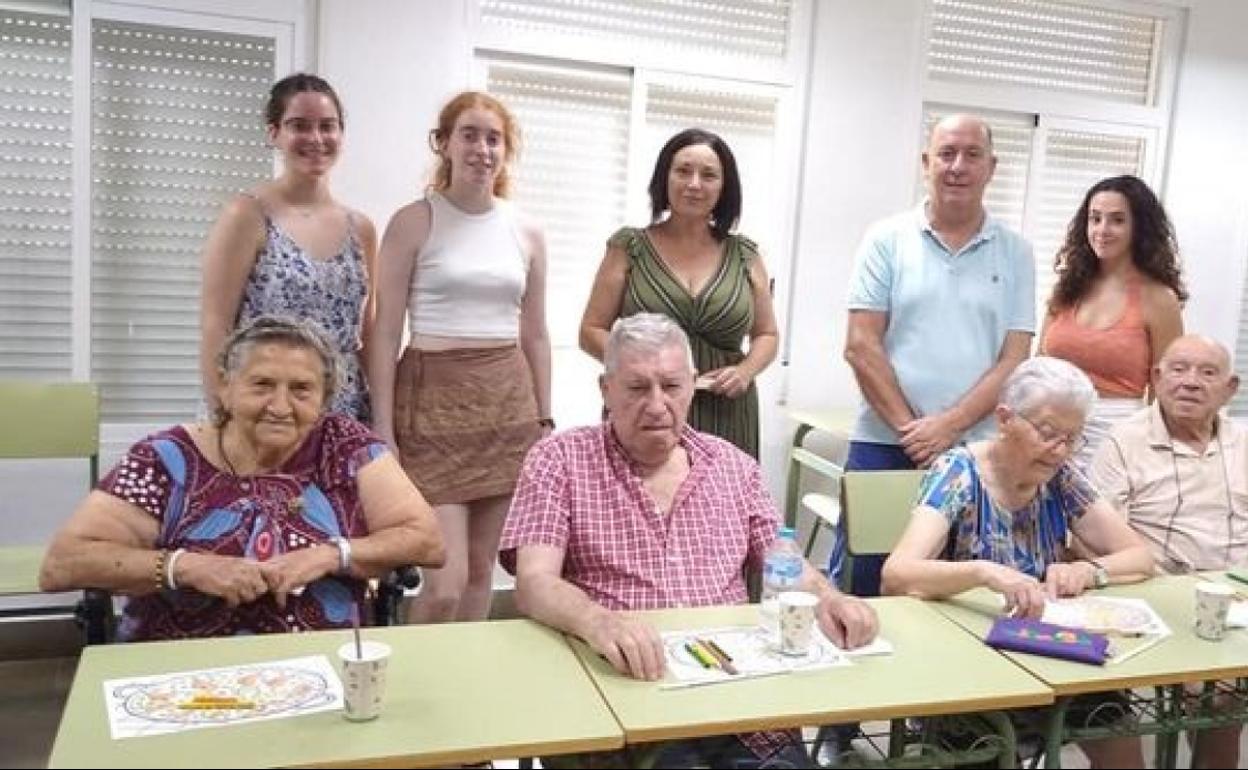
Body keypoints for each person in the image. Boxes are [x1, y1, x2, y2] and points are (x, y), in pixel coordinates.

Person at [501, 313, 877, 769]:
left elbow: (784, 561)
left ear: (693, 385)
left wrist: (828, 598)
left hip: (740, 702)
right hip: (628, 702)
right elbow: (534, 582)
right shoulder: (559, 459)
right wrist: (598, 622)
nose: (657, 404)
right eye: (638, 388)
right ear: (606, 389)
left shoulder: (733, 466)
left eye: (672, 387)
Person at [39, 317, 445, 641]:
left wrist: (329, 554)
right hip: (182, 670)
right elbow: (63, 564)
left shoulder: (344, 446)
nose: (280, 406)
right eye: (262, 385)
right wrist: (186, 567)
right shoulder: (165, 459)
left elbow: (426, 539)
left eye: (301, 390)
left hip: (322, 662)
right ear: (225, 388)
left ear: (323, 401)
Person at [882, 356, 1154, 768]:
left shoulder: (1061, 475)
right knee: (989, 745)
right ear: (1005, 418)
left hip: (1049, 656)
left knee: (1118, 729)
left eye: (1072, 438)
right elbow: (897, 574)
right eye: (1047, 433)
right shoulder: (958, 472)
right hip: (969, 667)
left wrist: (1088, 570)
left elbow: (1140, 557)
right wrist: (981, 572)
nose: (1059, 449)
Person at [367, 91, 551, 624]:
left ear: (506, 151)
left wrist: (544, 419)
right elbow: (384, 333)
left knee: (479, 574)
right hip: (431, 405)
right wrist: (384, 427)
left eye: (493, 138)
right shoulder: (413, 221)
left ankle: (460, 690)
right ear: (444, 144)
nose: (481, 148)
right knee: (444, 581)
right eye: (469, 134)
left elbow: (535, 334)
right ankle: (409, 682)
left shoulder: (527, 230)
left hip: (506, 406)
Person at [838, 113, 1035, 595]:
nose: (958, 166)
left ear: (992, 167)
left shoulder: (1016, 252)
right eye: (946, 154)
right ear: (926, 163)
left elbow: (1014, 358)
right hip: (884, 445)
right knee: (871, 590)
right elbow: (861, 345)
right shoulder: (886, 239)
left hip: (978, 453)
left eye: (972, 155)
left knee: (965, 595)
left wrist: (950, 427)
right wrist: (916, 434)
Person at [1091, 335, 1246, 769]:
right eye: (1178, 370)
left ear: (1230, 388)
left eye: (1207, 372)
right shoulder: (1124, 442)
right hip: (1161, 599)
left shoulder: (1243, 443)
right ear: (1157, 378)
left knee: (1225, 694)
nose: (1191, 382)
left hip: (1238, 599)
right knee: (1221, 699)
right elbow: (1094, 537)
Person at [579, 128, 779, 458]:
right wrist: (640, 369)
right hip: (646, 409)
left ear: (724, 187)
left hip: (725, 409)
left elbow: (767, 333)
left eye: (709, 175)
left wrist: (746, 372)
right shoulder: (629, 247)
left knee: (721, 504)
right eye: (683, 171)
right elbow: (590, 330)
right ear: (664, 178)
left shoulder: (746, 254)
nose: (694, 184)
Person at [200, 73, 377, 422]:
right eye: (299, 125)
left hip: (343, 416)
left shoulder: (362, 229)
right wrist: (224, 415)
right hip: (267, 413)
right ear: (274, 133)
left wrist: (384, 418)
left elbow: (367, 336)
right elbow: (215, 325)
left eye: (328, 126)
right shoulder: (247, 215)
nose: (316, 138)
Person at [1040, 175, 1186, 469]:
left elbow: (1166, 389)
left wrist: (1157, 458)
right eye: (1095, 219)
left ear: (1139, 228)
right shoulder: (1067, 288)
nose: (1102, 230)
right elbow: (1038, 365)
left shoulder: (1159, 299)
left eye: (1117, 220)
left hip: (1115, 437)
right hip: (1049, 430)